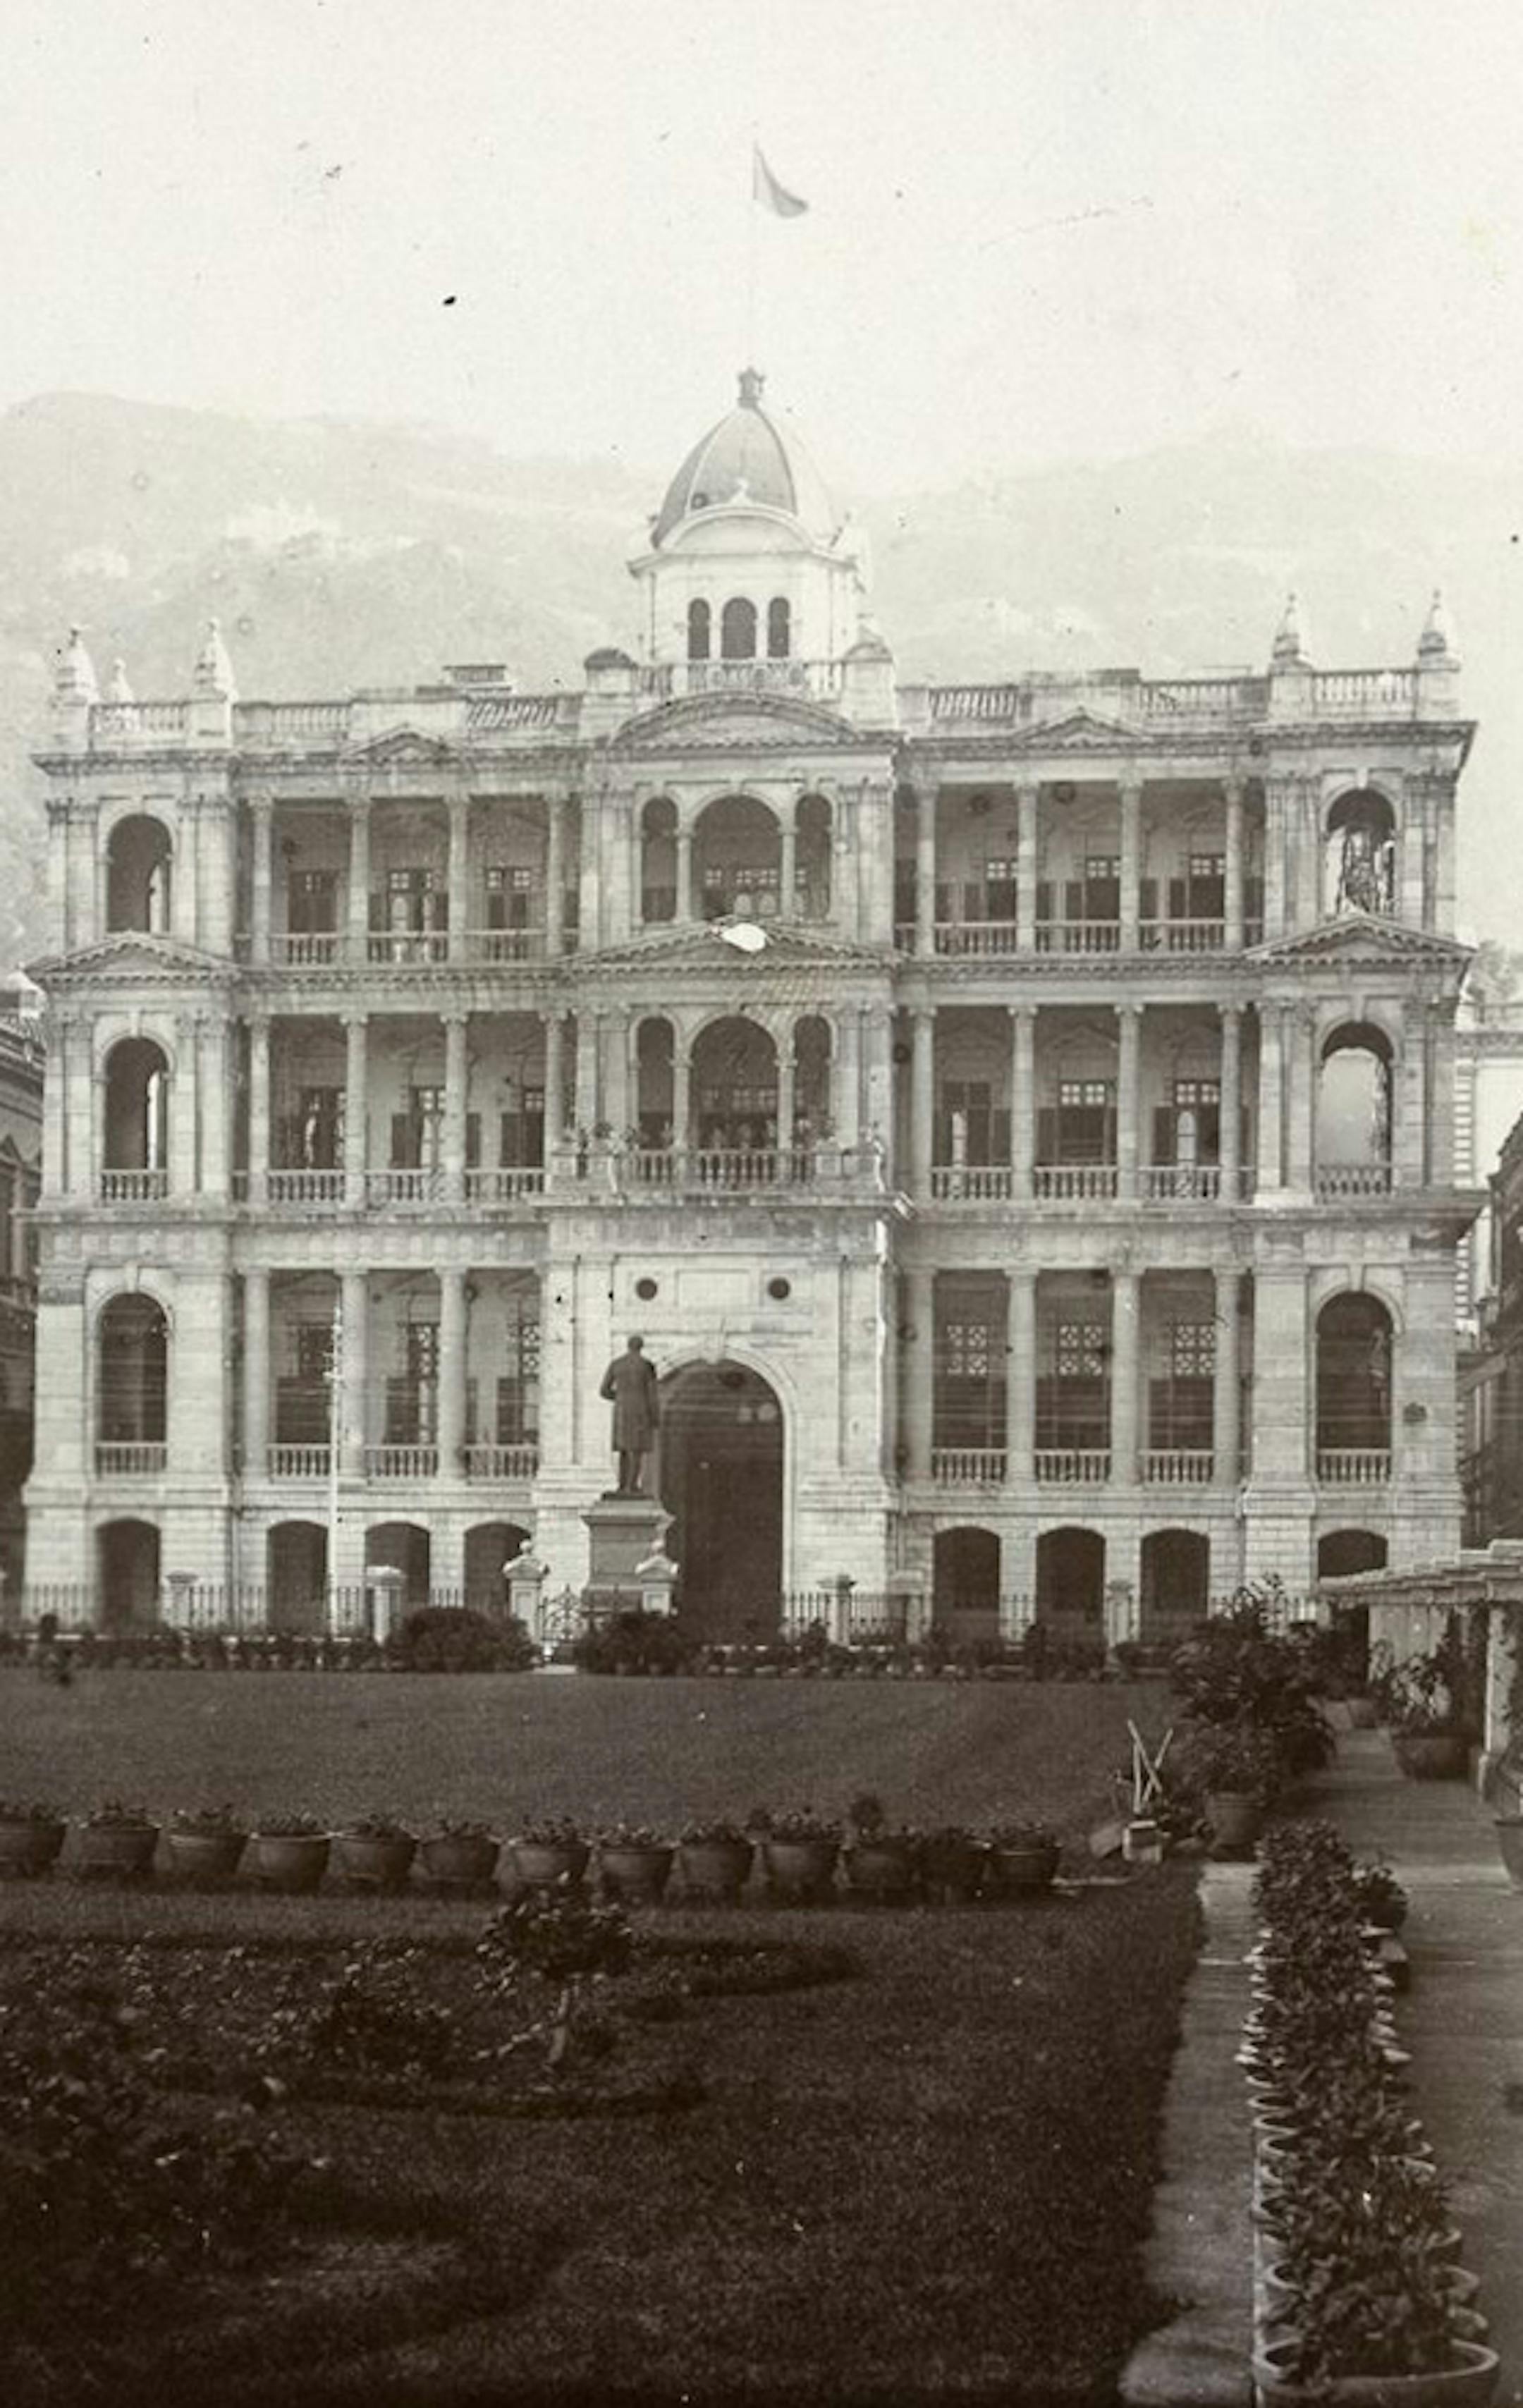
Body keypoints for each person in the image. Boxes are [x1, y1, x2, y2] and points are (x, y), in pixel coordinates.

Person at [599, 1334, 659, 1495]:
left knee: (624, 1450)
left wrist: (619, 1397)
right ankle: (632, 1486)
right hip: (640, 1411)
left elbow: (604, 1391)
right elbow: (652, 1394)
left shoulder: (616, 1364)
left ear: (628, 1346)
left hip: (621, 1411)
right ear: (641, 1347)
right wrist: (655, 1418)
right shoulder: (646, 1366)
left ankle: (622, 1485)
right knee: (636, 1450)